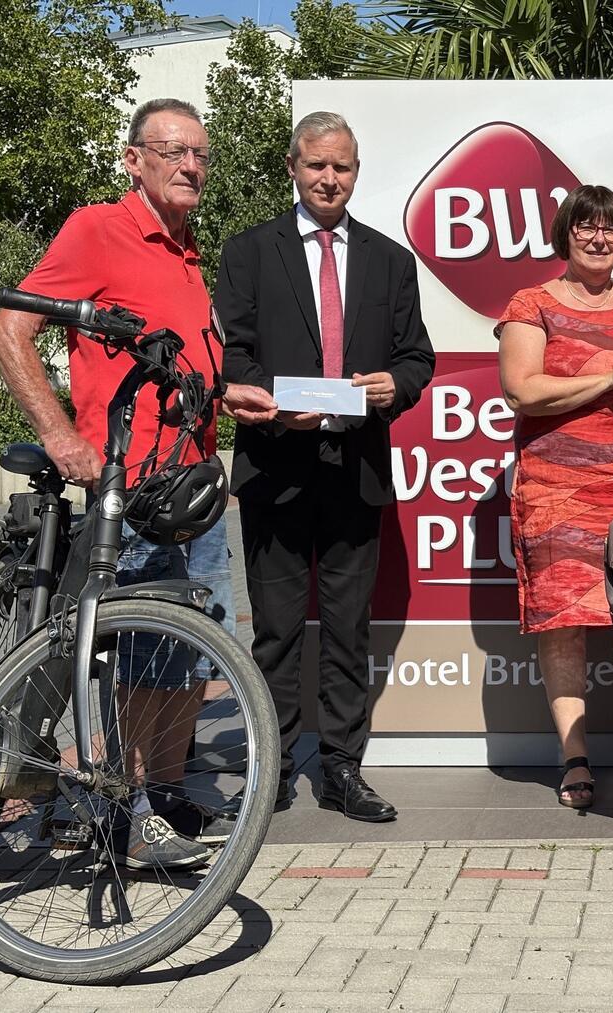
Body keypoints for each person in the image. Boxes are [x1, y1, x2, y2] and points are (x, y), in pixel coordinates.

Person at [0, 98, 275, 870]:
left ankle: (166, 795)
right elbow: (8, 326)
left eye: (201, 155)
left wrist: (225, 396)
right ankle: (130, 802)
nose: (191, 166)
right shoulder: (98, 229)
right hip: (132, 487)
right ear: (133, 158)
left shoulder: (185, 248)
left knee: (191, 655)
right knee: (147, 652)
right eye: (173, 151)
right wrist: (57, 431)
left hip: (195, 488)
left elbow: (173, 361)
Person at [215, 111, 435, 822]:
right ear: (292, 166)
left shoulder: (389, 260)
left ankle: (343, 769)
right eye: (316, 165)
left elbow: (417, 357)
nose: (328, 178)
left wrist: (390, 388)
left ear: (356, 171)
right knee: (276, 629)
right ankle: (272, 771)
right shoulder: (249, 252)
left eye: (340, 166)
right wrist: (277, 406)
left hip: (355, 465)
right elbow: (235, 355)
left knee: (348, 629)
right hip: (276, 465)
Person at [496, 184, 613, 813]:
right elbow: (521, 392)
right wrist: (608, 376)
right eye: (585, 227)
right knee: (566, 625)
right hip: (554, 487)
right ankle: (574, 758)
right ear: (565, 234)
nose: (598, 237)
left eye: (609, 228)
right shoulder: (531, 303)